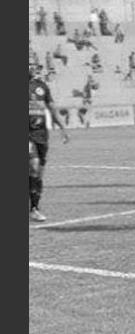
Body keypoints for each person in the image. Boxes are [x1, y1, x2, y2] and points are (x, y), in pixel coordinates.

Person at [29, 61, 69, 222]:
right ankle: (33, 208)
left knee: (38, 174)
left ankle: (34, 208)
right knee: (34, 166)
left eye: (33, 65)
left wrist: (62, 128)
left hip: (41, 135)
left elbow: (52, 108)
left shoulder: (42, 86)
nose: (31, 68)